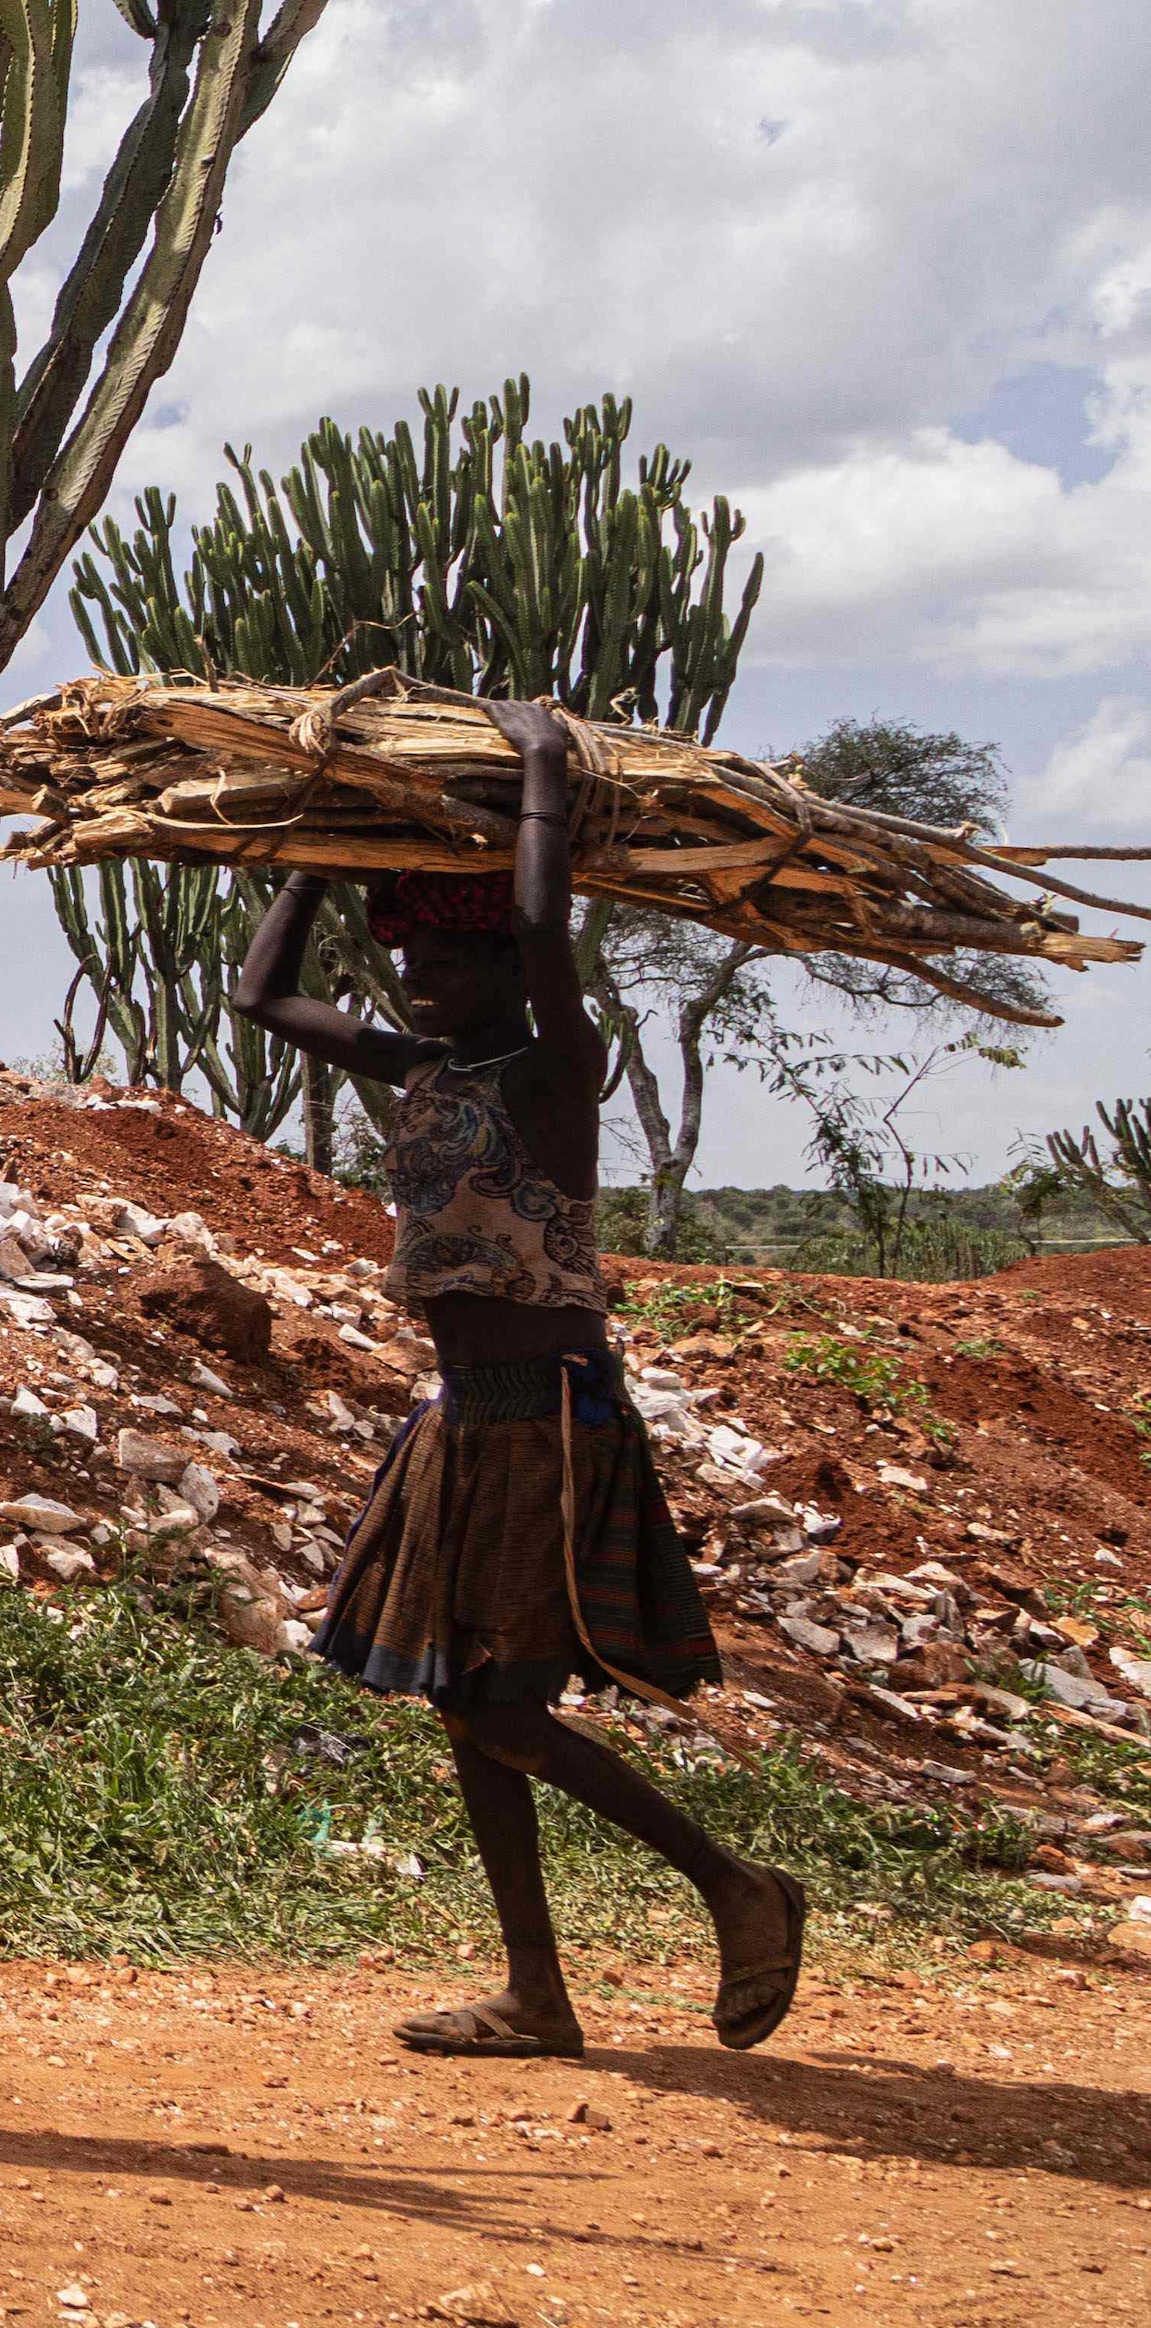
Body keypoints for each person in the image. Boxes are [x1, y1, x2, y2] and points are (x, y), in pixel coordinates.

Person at [234, 696, 806, 2059]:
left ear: (499, 965)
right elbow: (257, 996)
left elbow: (548, 930)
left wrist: (542, 765)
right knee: (465, 1703)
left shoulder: (557, 1071)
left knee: (501, 1703)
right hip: (462, 1420)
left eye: (446, 949)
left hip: (551, 1416)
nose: (419, 972)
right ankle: (537, 1992)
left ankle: (736, 1884)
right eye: (410, 949)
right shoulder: (422, 1067)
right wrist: (321, 841)